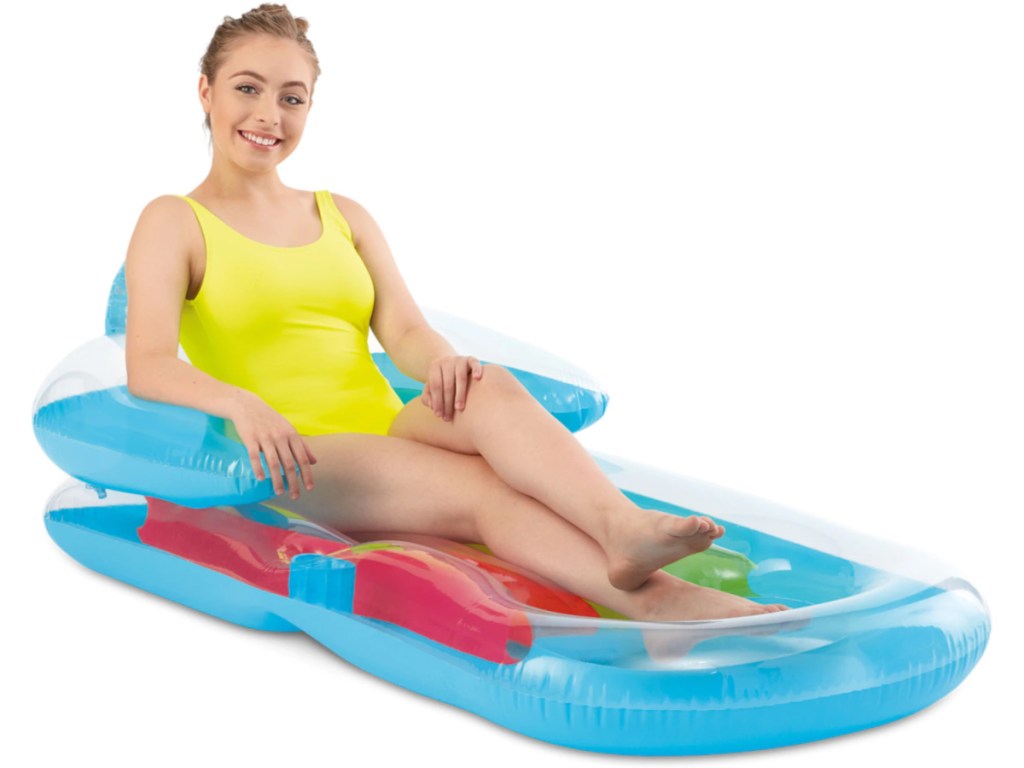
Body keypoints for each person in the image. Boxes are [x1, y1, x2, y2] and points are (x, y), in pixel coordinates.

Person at [124, 3, 789, 623]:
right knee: (481, 486)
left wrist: (444, 365)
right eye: (248, 88)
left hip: (384, 428)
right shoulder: (175, 221)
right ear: (206, 91)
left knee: (489, 385)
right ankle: (662, 607)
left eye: (291, 98)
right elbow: (149, 365)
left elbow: (406, 332)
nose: (269, 114)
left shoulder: (341, 214)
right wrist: (243, 406)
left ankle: (621, 529)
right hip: (297, 456)